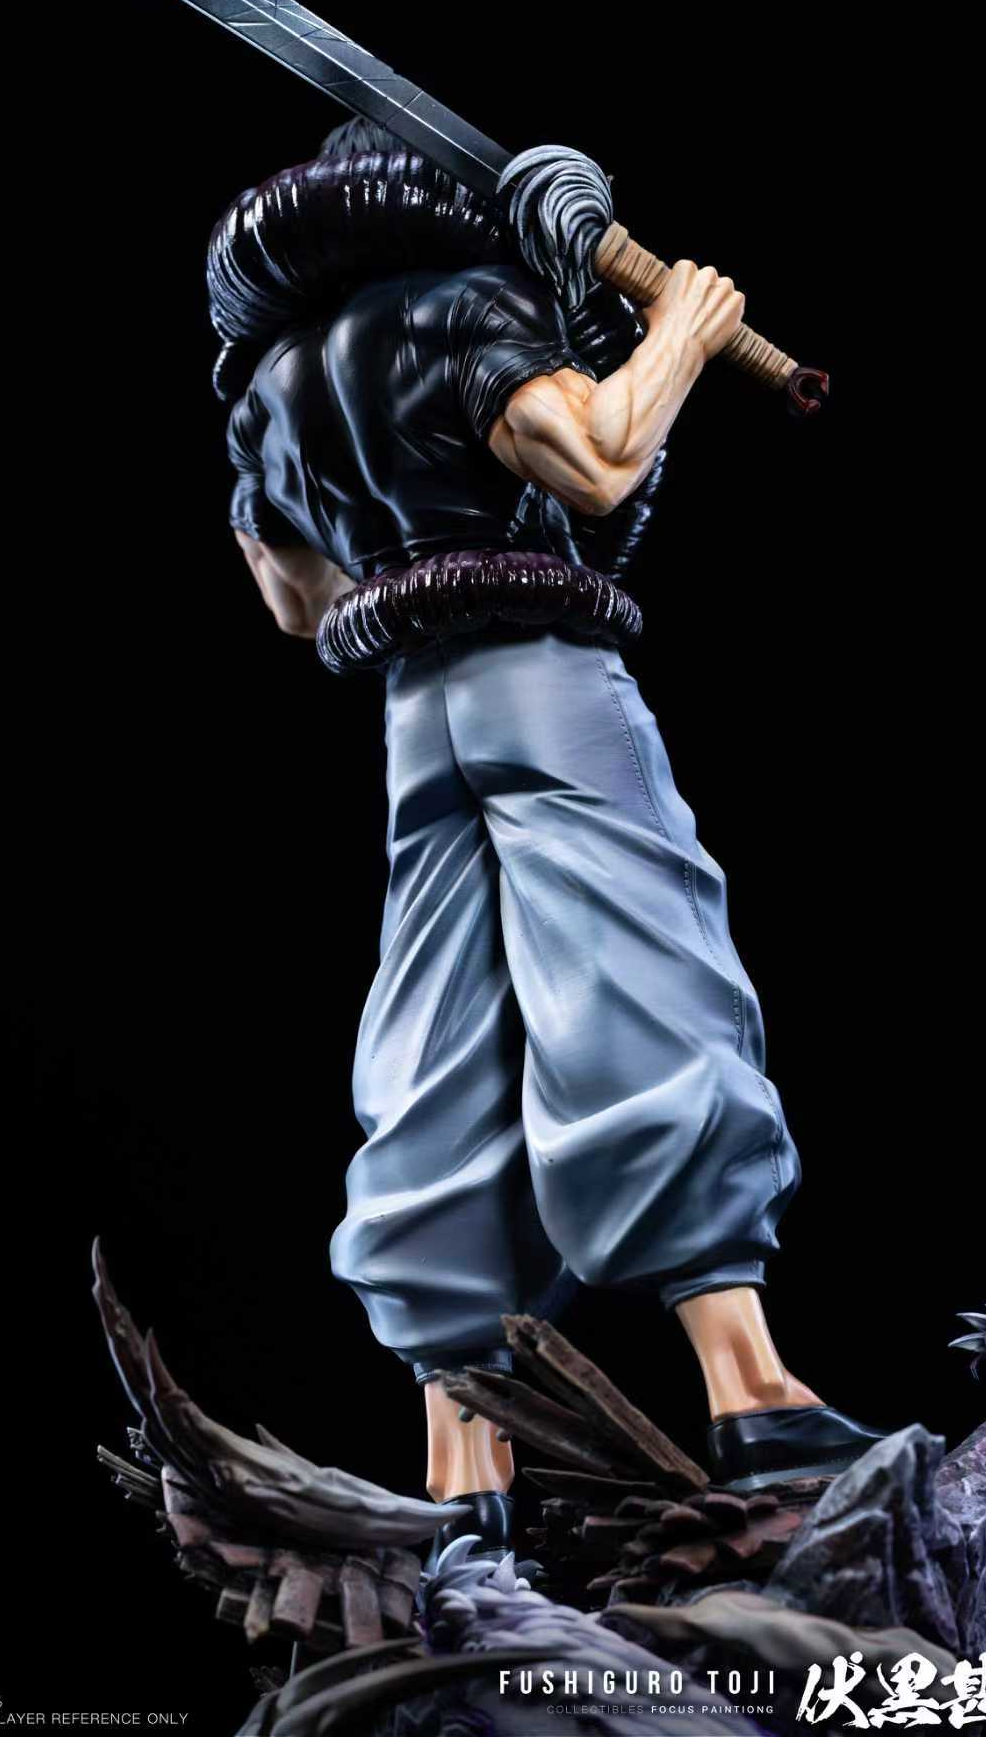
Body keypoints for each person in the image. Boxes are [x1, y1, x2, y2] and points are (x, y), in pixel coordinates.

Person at [209, 115, 884, 1529]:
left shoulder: (271, 384)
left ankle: (466, 1469)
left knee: (437, 1041)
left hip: (417, 716)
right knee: (641, 968)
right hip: (541, 676)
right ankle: (752, 1392)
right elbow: (597, 459)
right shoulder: (463, 305)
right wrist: (686, 327)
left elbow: (296, 605)